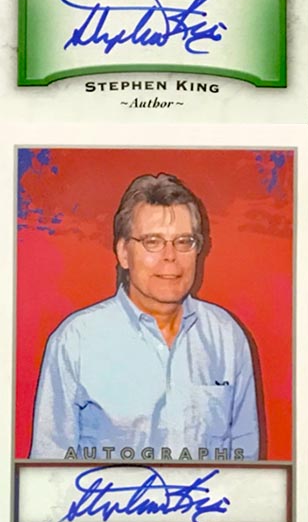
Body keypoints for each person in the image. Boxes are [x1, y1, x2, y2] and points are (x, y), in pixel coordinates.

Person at [30, 173, 260, 460]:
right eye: (153, 241)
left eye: (184, 241)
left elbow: (246, 466)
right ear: (123, 253)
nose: (170, 256)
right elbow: (50, 470)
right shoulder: (75, 341)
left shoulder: (227, 338)